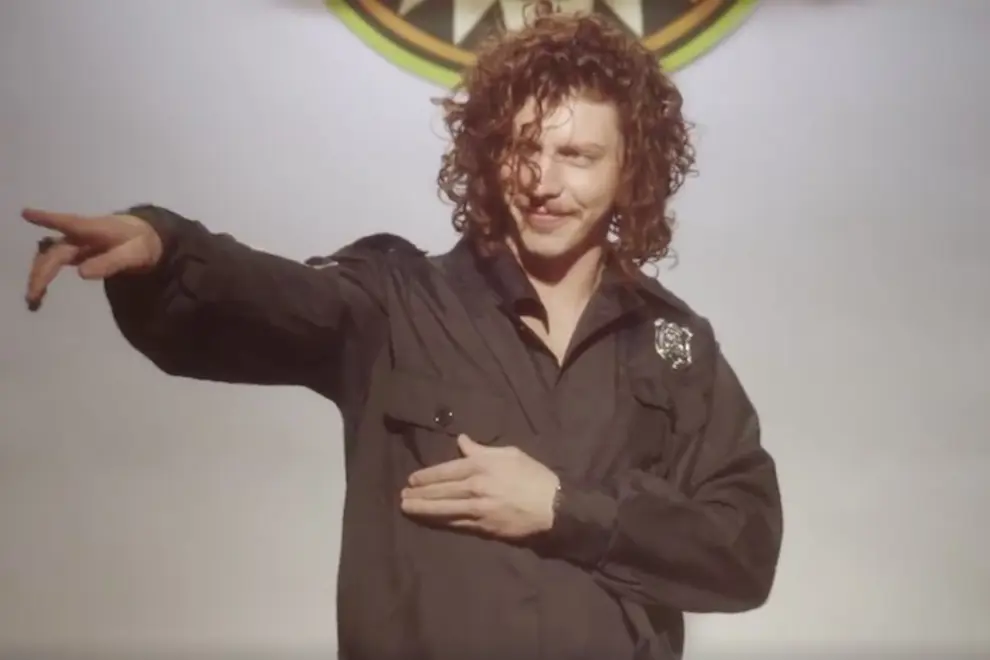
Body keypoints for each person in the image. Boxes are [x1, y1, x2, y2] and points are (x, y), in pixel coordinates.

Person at [22, 3, 782, 659]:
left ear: (629, 170)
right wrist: (164, 248)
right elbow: (269, 296)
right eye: (524, 148)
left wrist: (564, 510)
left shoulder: (675, 345)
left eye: (577, 156)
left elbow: (741, 550)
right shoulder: (396, 300)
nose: (543, 182)